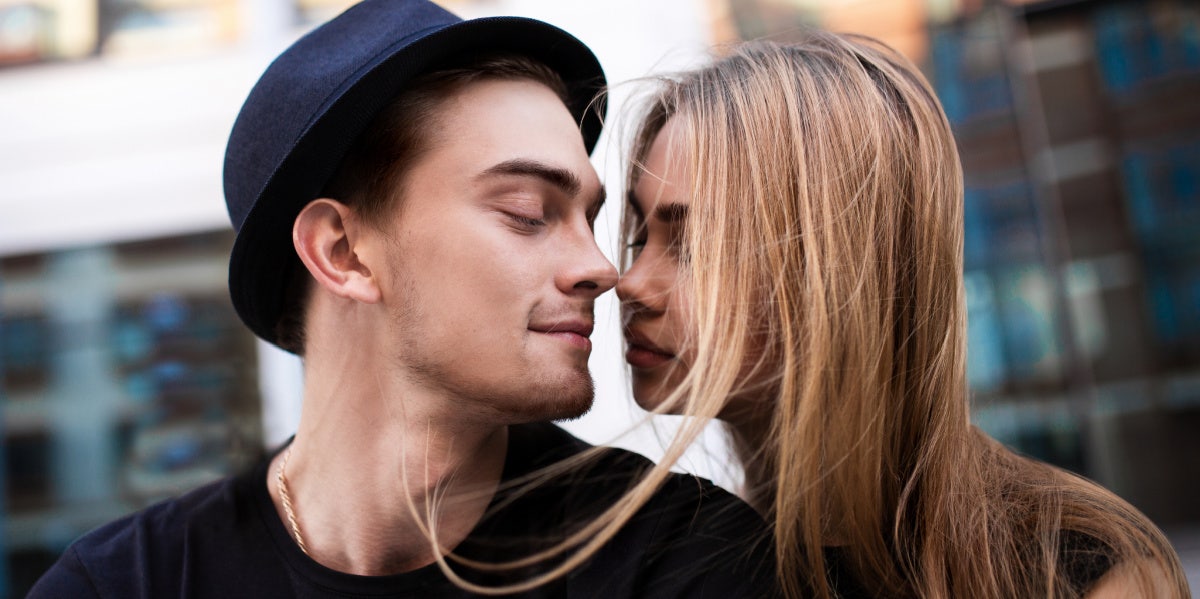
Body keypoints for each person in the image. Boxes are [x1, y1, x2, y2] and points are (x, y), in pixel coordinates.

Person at [27, 1, 775, 597]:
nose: (601, 268)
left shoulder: (680, 554)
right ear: (343, 253)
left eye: (591, 218)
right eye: (526, 211)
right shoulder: (128, 581)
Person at [615, 33, 1191, 599]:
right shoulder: (702, 562)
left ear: (839, 269)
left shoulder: (1075, 570)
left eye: (695, 245)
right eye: (642, 236)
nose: (631, 282)